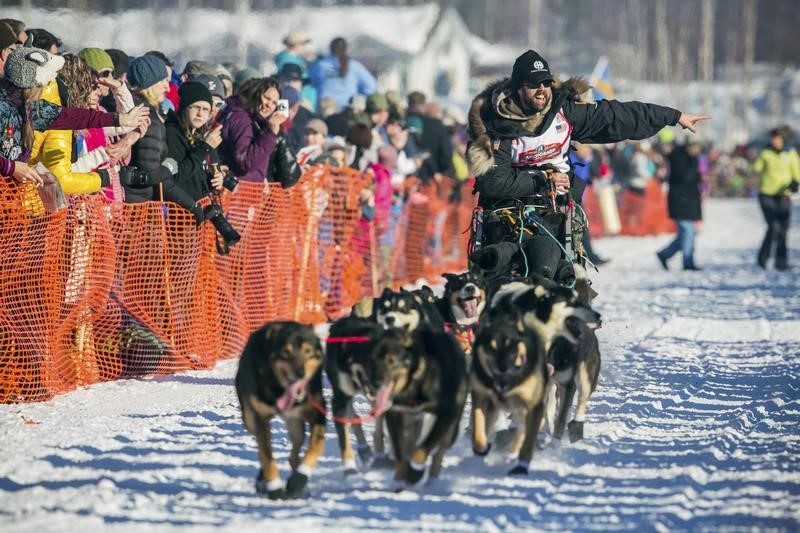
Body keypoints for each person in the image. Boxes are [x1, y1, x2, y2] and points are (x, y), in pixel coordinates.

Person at [467, 49, 709, 284]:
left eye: (545, 83)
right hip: (506, 214)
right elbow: (492, 180)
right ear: (518, 87)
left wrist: (672, 117)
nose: (541, 90)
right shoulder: (495, 122)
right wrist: (543, 179)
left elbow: (617, 117)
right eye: (533, 84)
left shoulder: (563, 112)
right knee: (501, 269)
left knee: (559, 273)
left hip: (555, 210)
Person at [1, 46, 149, 188]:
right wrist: (9, 166)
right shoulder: (9, 109)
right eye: (43, 84)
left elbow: (76, 118)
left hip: (14, 197)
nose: (44, 88)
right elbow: (61, 177)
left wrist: (121, 119)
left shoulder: (34, 109)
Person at [219, 77, 298, 187]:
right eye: (266, 98)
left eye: (274, 103)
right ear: (255, 94)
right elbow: (245, 161)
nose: (269, 105)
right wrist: (270, 133)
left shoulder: (255, 121)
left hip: (248, 194)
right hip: (236, 195)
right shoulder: (242, 119)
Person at [753, 128, 800, 271]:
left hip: (784, 195)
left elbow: (797, 173)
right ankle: (763, 258)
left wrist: (794, 184)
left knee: (783, 229)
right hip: (766, 194)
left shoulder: (790, 153)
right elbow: (756, 169)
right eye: (773, 138)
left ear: (783, 139)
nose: (775, 141)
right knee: (773, 226)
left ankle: (781, 262)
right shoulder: (765, 152)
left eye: (778, 138)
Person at [656, 139, 703, 271]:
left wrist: (700, 177)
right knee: (688, 232)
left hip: (688, 202)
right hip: (680, 201)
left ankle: (665, 254)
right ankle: (688, 262)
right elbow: (685, 177)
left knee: (688, 233)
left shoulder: (689, 158)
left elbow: (691, 178)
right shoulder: (680, 158)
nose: (697, 151)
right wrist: (694, 163)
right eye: (695, 147)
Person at [309, 37, 376, 111]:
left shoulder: (320, 65)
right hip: (346, 109)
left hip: (324, 109)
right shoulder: (354, 66)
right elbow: (370, 86)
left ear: (330, 48)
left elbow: (313, 83)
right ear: (346, 49)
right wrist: (359, 98)